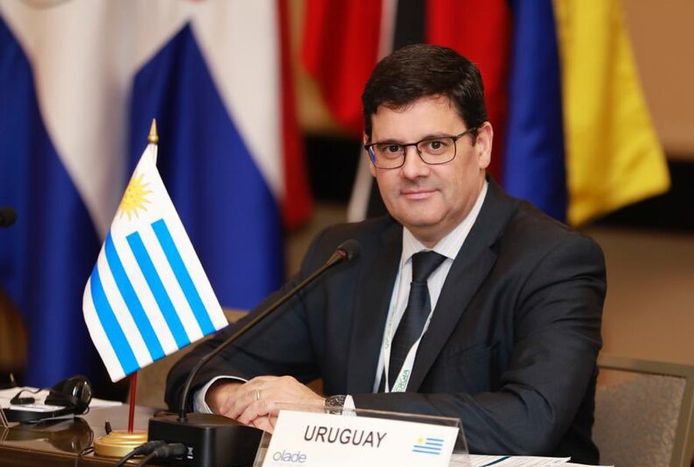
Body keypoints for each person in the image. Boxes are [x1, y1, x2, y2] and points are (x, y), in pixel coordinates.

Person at [166, 43, 606, 463]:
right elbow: (198, 367)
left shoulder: (554, 260)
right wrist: (235, 396)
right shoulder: (345, 255)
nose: (412, 170)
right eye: (392, 149)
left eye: (435, 145)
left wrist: (336, 413)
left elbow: (529, 420)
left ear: (482, 144)